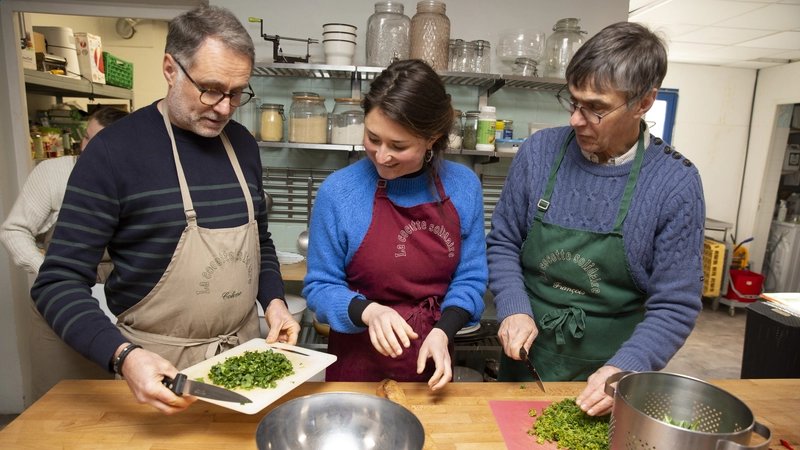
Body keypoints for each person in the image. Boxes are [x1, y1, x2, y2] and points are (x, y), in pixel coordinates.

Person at [31, 5, 300, 415]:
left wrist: (274, 302)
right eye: (211, 89)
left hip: (243, 360)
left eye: (237, 92)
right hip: (158, 376)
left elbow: (258, 241)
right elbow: (57, 283)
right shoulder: (113, 153)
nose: (226, 108)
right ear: (170, 69)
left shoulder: (243, 144)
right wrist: (123, 356)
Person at [486, 22, 705, 416]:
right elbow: (503, 242)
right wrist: (514, 305)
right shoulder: (539, 152)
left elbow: (675, 303)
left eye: (596, 108)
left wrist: (627, 368)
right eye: (573, 101)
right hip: (527, 363)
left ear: (644, 102)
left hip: (614, 374)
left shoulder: (676, 184)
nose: (576, 119)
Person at [302, 59, 488, 391]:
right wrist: (370, 312)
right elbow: (320, 287)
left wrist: (444, 330)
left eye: (399, 146)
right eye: (373, 138)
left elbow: (470, 279)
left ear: (432, 138)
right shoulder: (338, 192)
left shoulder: (464, 187)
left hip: (433, 363)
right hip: (356, 365)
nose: (382, 155)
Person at [0, 107, 128, 401]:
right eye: (86, 138)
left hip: (118, 304)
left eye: (99, 143)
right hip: (61, 306)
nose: (87, 149)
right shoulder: (54, 173)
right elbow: (13, 230)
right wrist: (50, 272)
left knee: (117, 406)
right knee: (59, 402)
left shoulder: (134, 175)